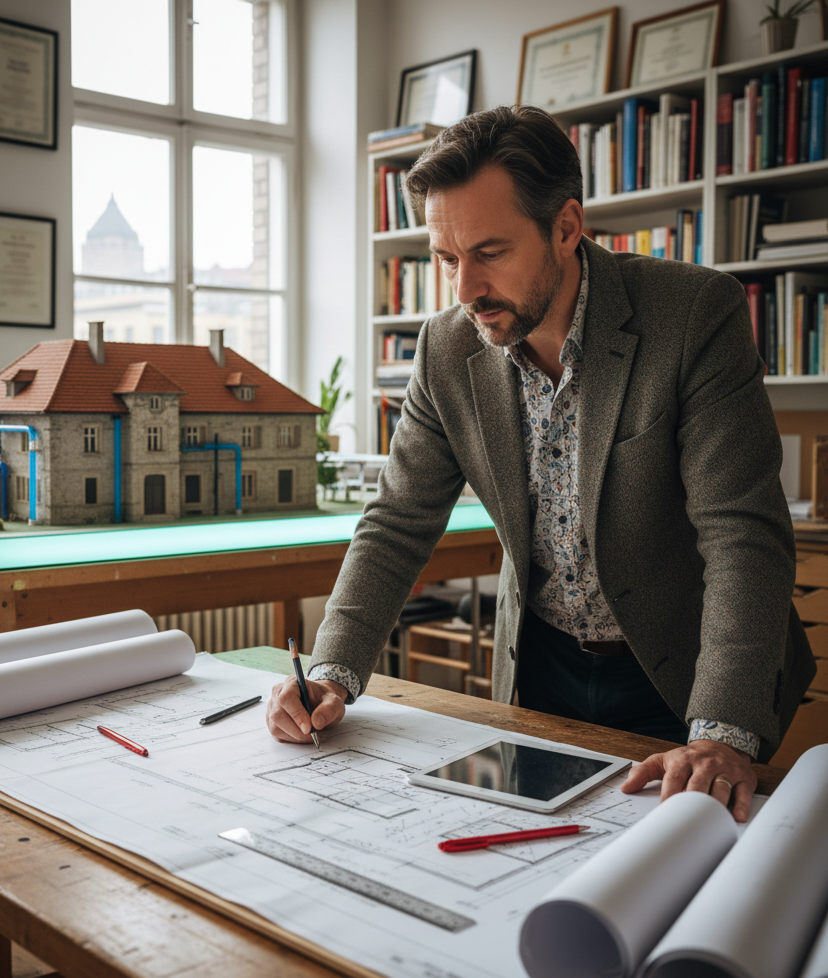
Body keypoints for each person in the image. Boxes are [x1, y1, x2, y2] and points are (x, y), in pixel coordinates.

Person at [266, 106, 814, 822]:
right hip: (539, 668)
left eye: (488, 252)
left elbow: (742, 536)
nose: (463, 290)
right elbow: (398, 521)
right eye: (446, 259)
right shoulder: (445, 349)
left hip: (686, 675)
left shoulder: (692, 314)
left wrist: (719, 732)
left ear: (565, 227)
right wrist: (332, 671)